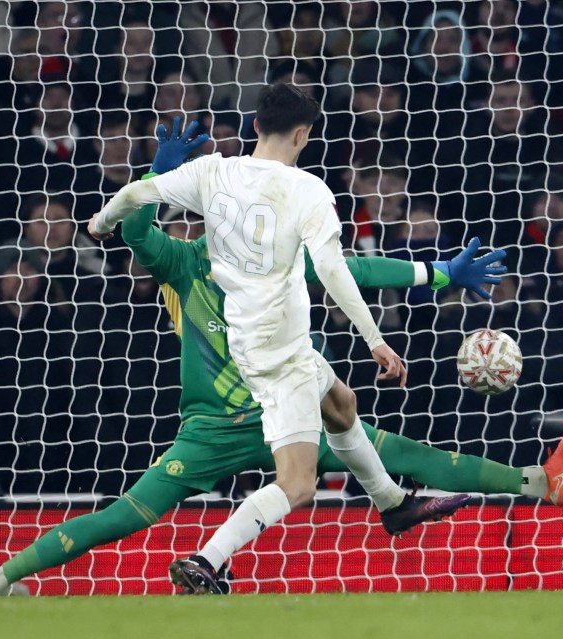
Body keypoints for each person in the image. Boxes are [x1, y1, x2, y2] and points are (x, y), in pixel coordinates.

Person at [0, 119, 563, 598]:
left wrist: (440, 273)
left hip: (282, 407)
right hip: (215, 428)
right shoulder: (181, 262)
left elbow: (353, 267)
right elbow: (130, 226)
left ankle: (536, 482)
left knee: (397, 447)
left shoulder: (271, 257)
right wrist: (146, 175)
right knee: (122, 516)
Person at [86, 84, 483, 589]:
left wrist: (102, 222)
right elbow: (338, 273)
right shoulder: (309, 191)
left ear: (255, 127)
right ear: (303, 134)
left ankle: (392, 504)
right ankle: (207, 560)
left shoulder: (214, 171)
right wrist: (375, 340)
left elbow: (138, 194)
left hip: (256, 344)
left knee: (341, 404)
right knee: (297, 485)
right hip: (282, 354)